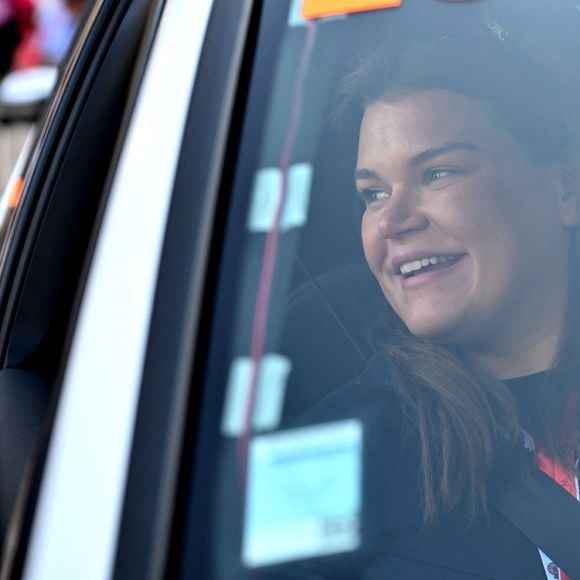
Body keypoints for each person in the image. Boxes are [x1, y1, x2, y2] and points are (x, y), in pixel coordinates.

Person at [267, 5, 580, 579]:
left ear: (565, 185)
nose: (393, 221)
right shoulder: (324, 466)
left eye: (438, 173)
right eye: (373, 194)